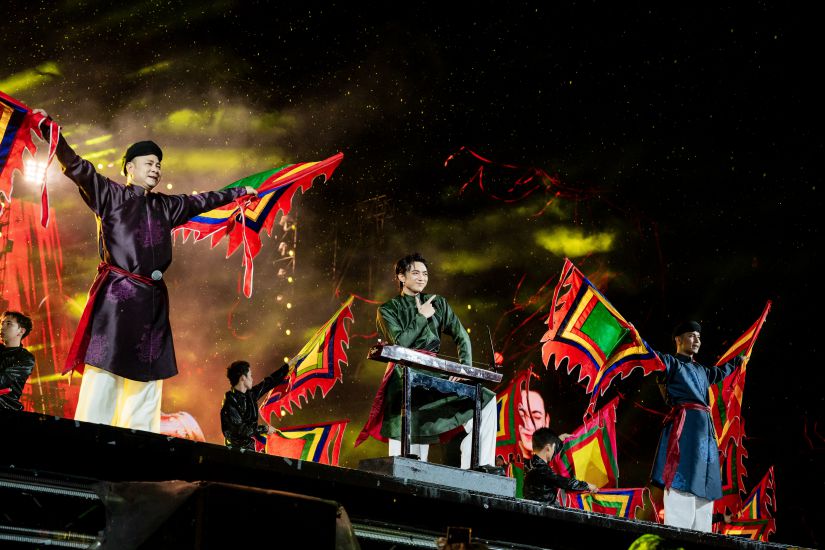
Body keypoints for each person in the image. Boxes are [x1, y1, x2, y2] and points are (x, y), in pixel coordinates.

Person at [37, 109, 258, 433]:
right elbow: (76, 166)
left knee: (148, 377)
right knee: (105, 371)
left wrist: (238, 193)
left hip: (152, 302)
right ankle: (88, 438)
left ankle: (140, 442)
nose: (156, 168)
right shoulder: (110, 195)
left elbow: (203, 201)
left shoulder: (166, 206)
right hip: (116, 297)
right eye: (149, 163)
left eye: (158, 164)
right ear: (130, 167)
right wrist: (48, 129)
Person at [356, 253, 497, 469]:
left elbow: (462, 336)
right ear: (401, 277)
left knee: (486, 400)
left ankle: (478, 466)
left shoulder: (438, 303)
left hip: (434, 372)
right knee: (409, 457)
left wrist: (465, 370)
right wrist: (421, 316)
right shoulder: (387, 310)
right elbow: (400, 343)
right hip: (404, 375)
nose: (422, 278)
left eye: (425, 274)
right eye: (415, 273)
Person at [649, 321, 742, 532]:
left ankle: (702, 535)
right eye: (692, 335)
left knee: (705, 486)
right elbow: (649, 358)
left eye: (699, 337)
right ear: (678, 339)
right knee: (682, 480)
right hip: (685, 431)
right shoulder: (670, 362)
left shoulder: (702, 370)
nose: (697, 340)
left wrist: (737, 361)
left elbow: (719, 373)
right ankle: (678, 536)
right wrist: (638, 341)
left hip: (705, 435)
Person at [221, 360, 290, 451]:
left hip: (250, 450)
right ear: (242, 378)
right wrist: (265, 429)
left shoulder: (250, 395)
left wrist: (286, 367)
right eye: (250, 375)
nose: (252, 379)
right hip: (236, 453)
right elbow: (241, 430)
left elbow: (267, 383)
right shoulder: (230, 403)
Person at [523, 427, 597, 505]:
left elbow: (551, 452)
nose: (554, 451)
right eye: (554, 448)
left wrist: (558, 441)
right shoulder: (542, 470)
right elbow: (565, 482)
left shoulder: (530, 466)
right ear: (548, 448)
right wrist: (587, 485)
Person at [0, 311, 35, 410]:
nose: (2, 327)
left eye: (8, 324)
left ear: (21, 331)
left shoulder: (26, 358)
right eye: (2, 323)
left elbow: (3, 380)